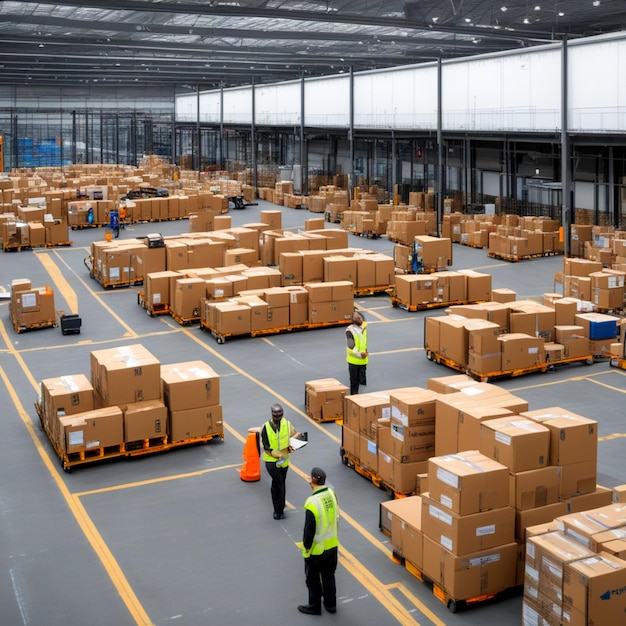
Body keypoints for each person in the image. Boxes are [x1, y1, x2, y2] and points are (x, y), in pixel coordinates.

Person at [298, 467, 339, 616]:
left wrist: (307, 549)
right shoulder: (332, 494)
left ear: (313, 480)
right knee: (329, 577)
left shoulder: (312, 503)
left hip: (317, 550)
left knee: (312, 579)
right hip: (332, 546)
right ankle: (330, 604)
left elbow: (309, 530)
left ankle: (314, 606)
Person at [261, 403, 299, 520]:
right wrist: (273, 453)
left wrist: (292, 445)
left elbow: (294, 434)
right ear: (272, 414)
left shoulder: (287, 424)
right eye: (275, 415)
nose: (278, 417)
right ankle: (278, 510)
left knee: (280, 483)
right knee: (279, 484)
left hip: (284, 460)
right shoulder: (266, 427)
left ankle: (280, 508)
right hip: (271, 461)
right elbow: (266, 446)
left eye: (280, 415)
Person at [346, 311, 368, 395]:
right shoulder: (349, 331)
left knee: (362, 382)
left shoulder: (363, 329)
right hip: (354, 361)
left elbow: (364, 342)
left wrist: (366, 350)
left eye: (360, 317)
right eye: (357, 317)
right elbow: (350, 347)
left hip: (363, 361)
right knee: (354, 383)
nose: (359, 318)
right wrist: (360, 354)